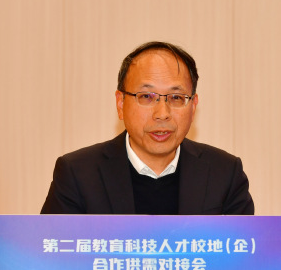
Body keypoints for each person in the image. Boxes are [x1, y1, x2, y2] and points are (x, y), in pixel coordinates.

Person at [41, 41, 254, 215]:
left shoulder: (225, 174)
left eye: (176, 97)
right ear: (121, 104)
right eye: (146, 97)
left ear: (193, 106)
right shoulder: (78, 174)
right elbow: (51, 251)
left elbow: (245, 251)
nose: (162, 113)